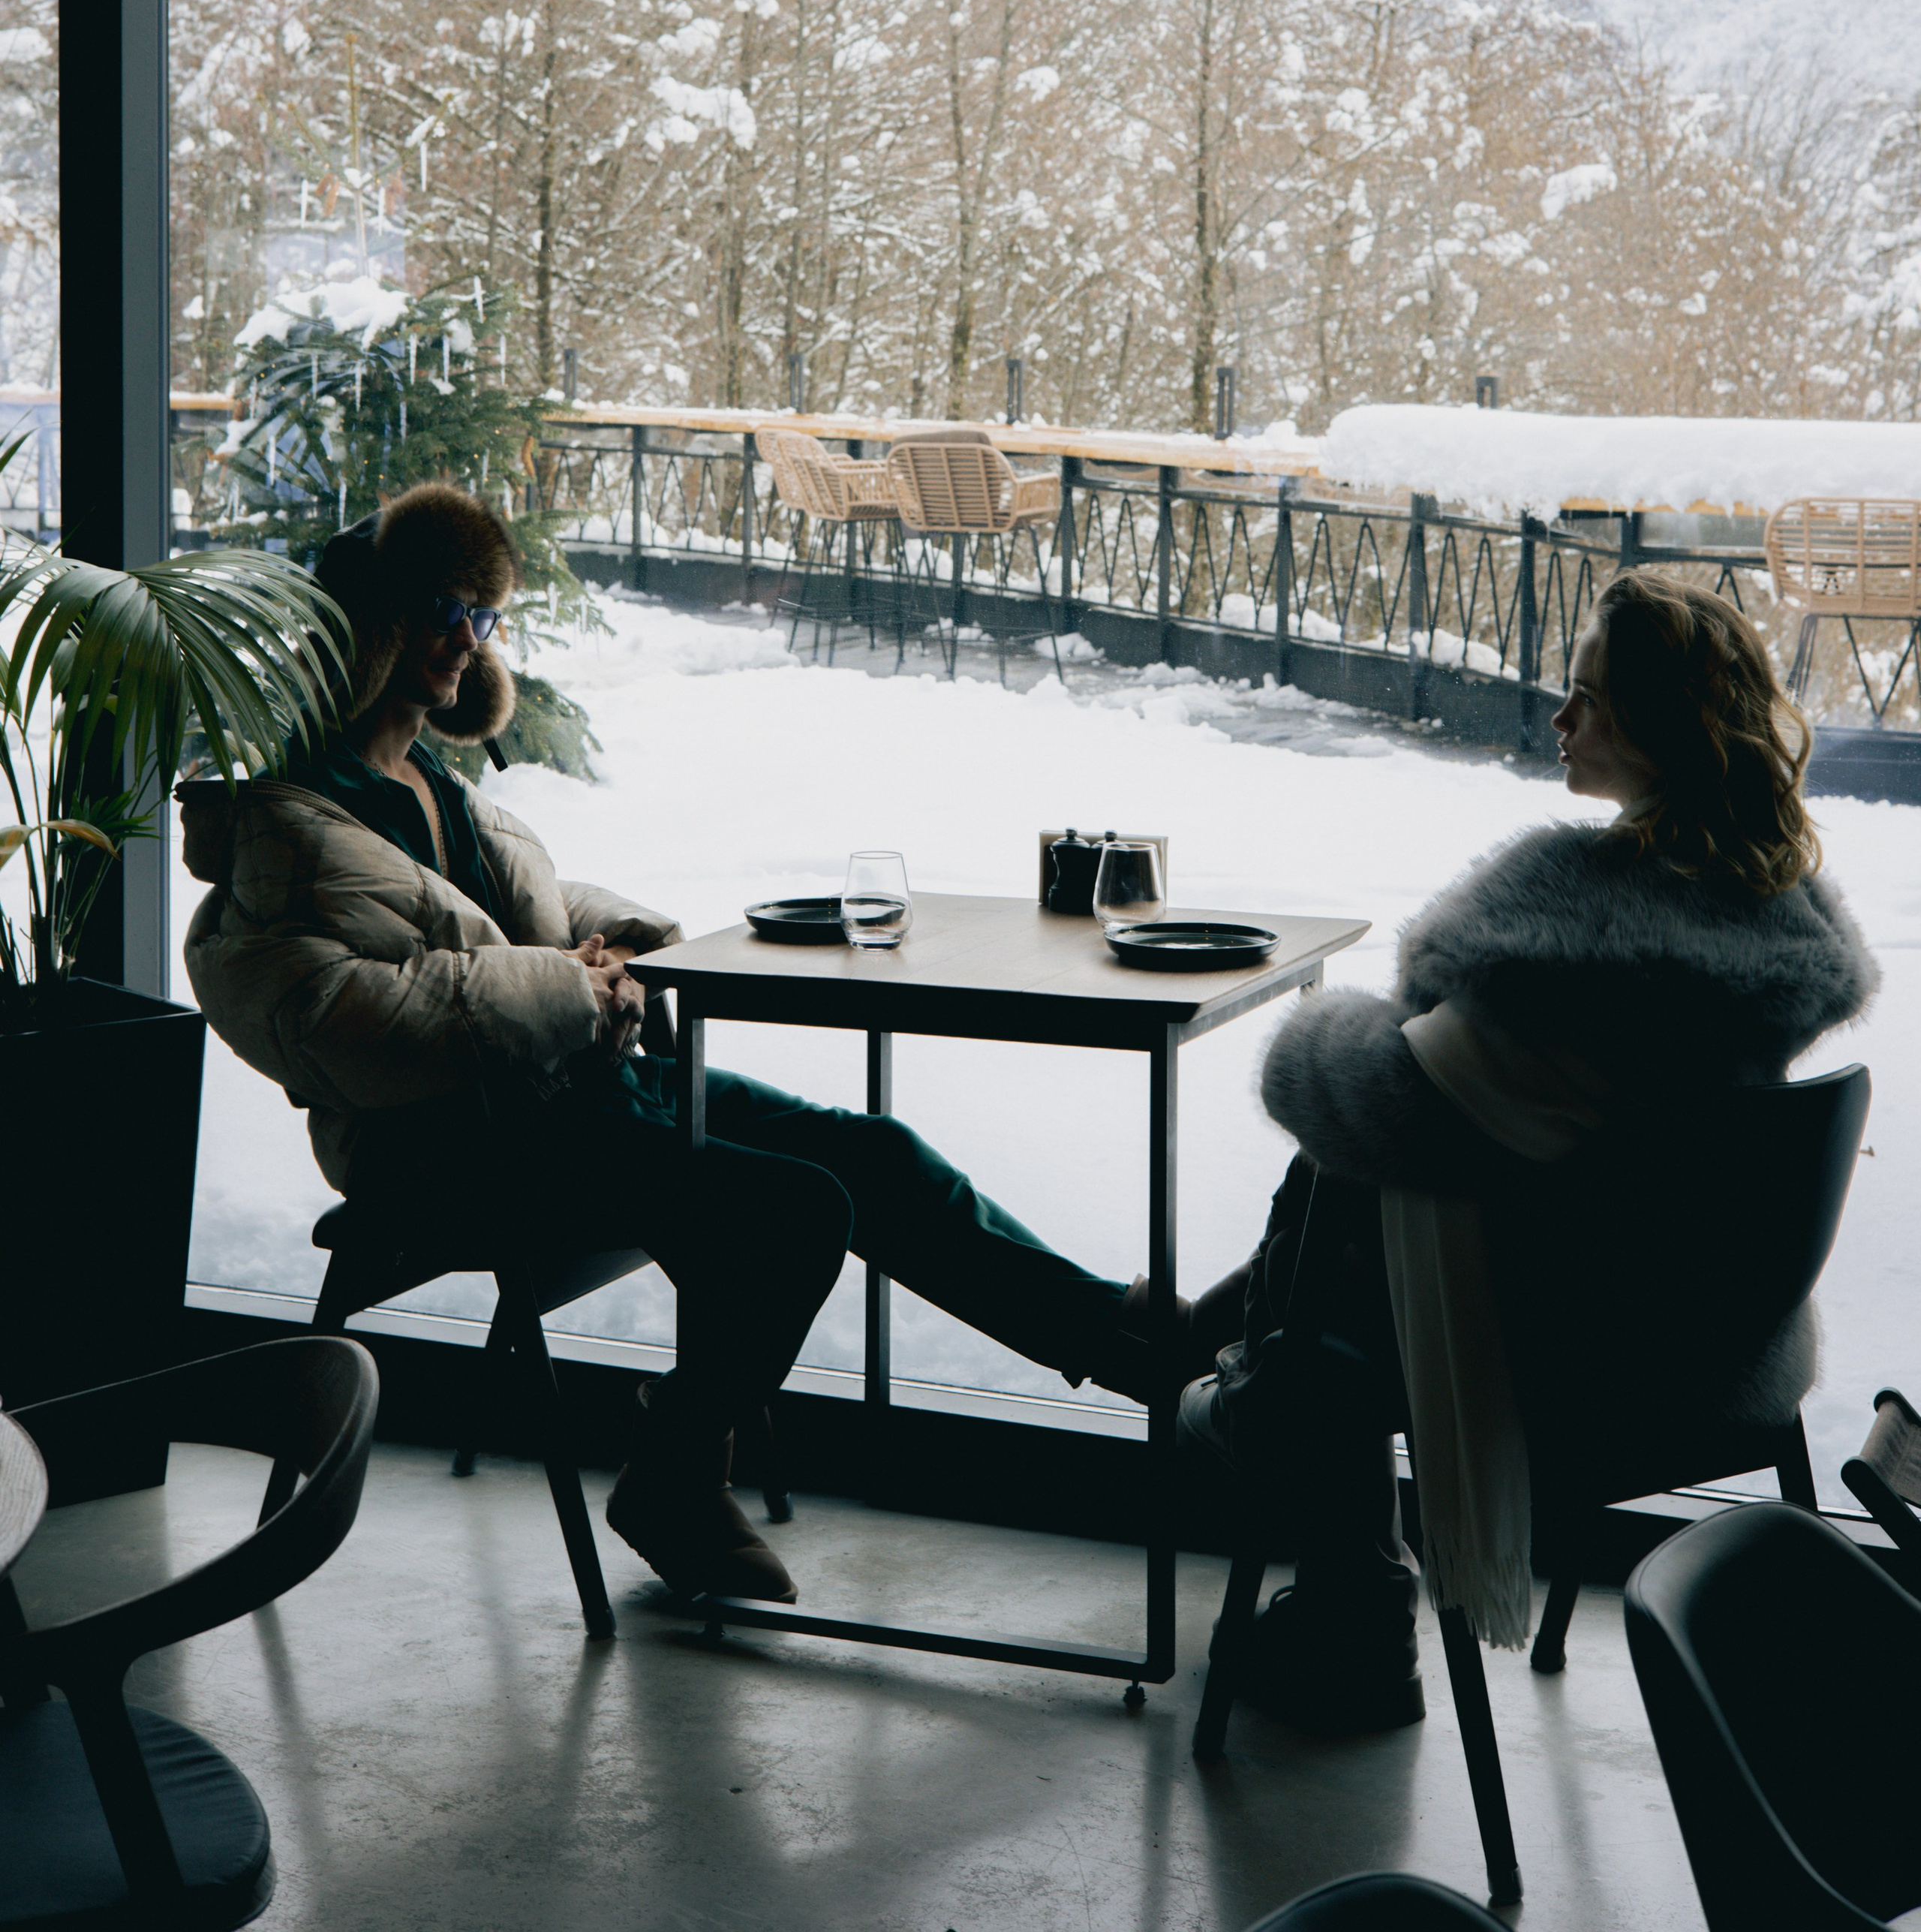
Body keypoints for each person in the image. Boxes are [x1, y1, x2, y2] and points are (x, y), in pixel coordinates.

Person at [181, 481, 1160, 1605]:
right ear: (375, 629)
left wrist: (620, 942)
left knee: (871, 1152)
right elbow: (358, 1026)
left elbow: (499, 928)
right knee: (793, 1209)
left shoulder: (437, 785)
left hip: (570, 1102)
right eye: (443, 610)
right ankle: (673, 1473)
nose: (467, 639)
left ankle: (1132, 1344)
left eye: (482, 616)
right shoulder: (284, 830)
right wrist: (574, 988)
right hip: (442, 1150)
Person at [1180, 567, 1878, 1733]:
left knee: (1320, 1315)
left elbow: (1378, 1101)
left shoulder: (1563, 948)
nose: (1560, 721)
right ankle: (1224, 1349)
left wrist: (1331, 1033)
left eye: (1589, 701)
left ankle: (1329, 1565)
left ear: (1661, 730)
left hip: (1571, 1352)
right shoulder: (1768, 918)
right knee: (1356, 1217)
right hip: (1702, 1331)